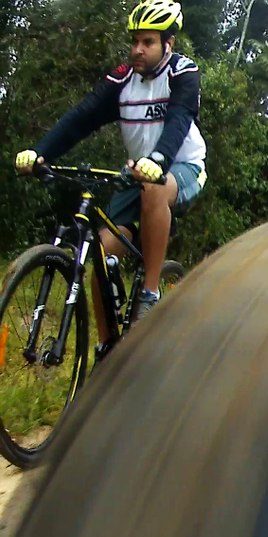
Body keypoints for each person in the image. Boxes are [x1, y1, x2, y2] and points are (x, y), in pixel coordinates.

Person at [14, 0, 207, 346]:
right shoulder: (122, 80)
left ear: (168, 43)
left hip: (182, 167)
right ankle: (107, 352)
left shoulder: (182, 73)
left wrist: (159, 159)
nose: (137, 49)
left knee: (154, 189)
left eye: (147, 42)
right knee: (102, 256)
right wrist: (41, 152)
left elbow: (179, 119)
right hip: (138, 172)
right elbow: (82, 117)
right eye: (134, 41)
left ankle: (149, 293)